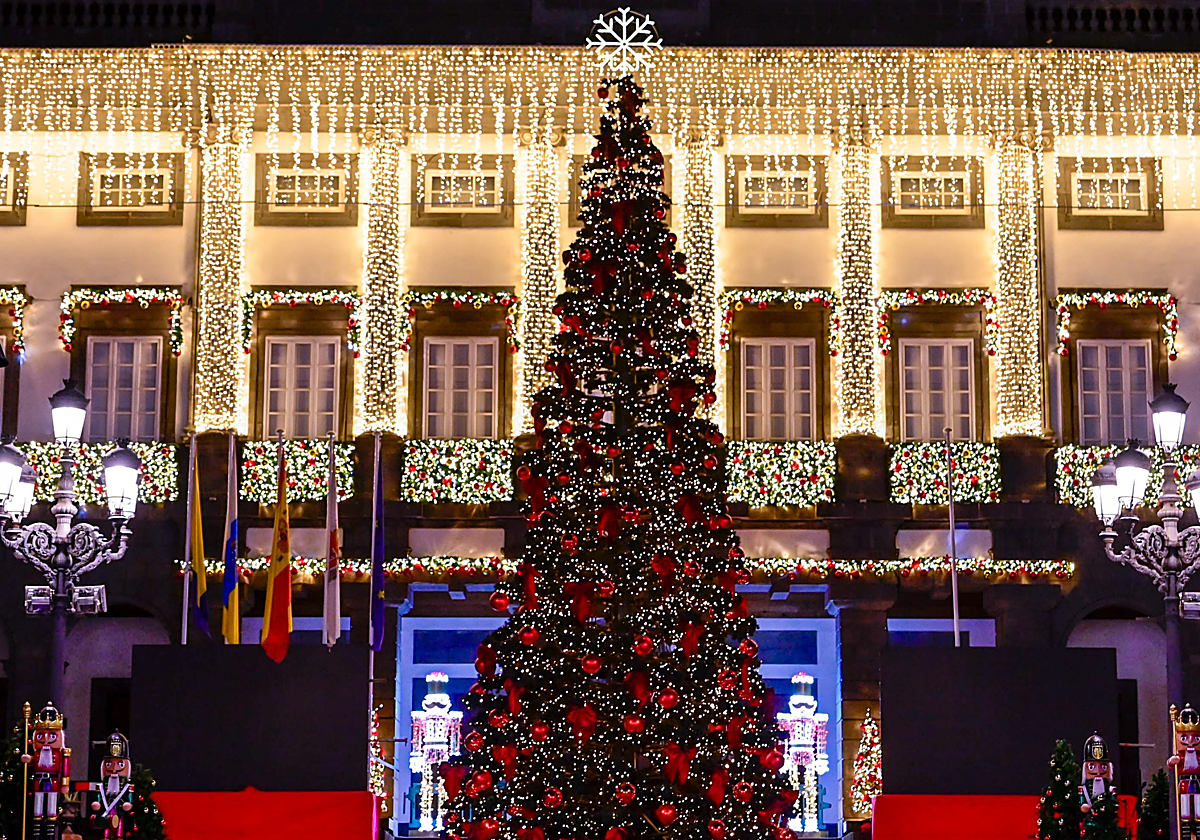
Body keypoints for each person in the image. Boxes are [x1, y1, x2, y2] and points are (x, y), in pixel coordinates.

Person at [21, 702, 71, 840]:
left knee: (51, 808)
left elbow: (65, 769)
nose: (46, 740)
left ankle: (50, 834)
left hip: (53, 781)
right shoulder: (38, 753)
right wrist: (28, 758)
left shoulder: (61, 753)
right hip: (38, 781)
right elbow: (32, 760)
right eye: (41, 736)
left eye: (52, 736)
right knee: (37, 807)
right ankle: (37, 834)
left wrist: (65, 784)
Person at [90, 731, 134, 838]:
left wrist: (128, 804)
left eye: (120, 764)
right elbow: (99, 796)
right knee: (106, 828)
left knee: (120, 826)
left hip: (119, 810)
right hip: (106, 811)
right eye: (109, 764)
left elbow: (129, 797)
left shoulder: (127, 786)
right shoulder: (102, 785)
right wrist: (97, 803)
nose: (114, 769)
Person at [1171, 704, 1200, 839]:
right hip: (1184, 784)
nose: (1190, 742)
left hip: (1197, 783)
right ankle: (1186, 834)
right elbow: (1172, 763)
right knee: (1185, 809)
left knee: (1198, 809)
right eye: (1184, 738)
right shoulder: (1181, 757)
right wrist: (1173, 761)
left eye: (1196, 738)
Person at [1079, 732, 1114, 813]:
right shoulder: (1083, 790)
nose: (1098, 771)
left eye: (1103, 766)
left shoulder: (1110, 790)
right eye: (1092, 766)